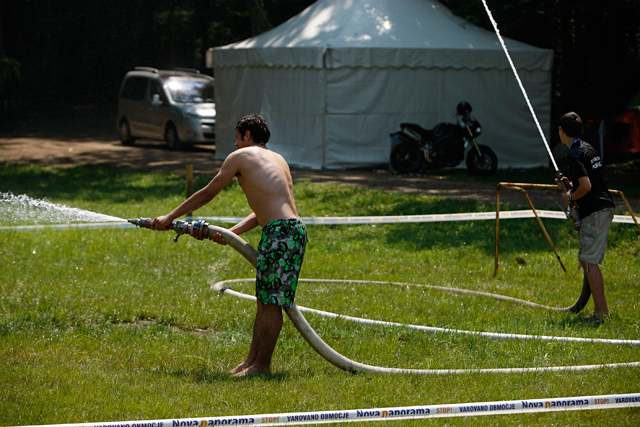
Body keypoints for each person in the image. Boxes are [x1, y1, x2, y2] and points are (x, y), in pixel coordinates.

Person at [150, 113, 307, 375]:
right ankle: (251, 362)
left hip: (281, 233)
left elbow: (208, 192)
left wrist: (170, 216)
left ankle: (262, 367)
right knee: (264, 301)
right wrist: (232, 232)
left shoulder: (241, 156)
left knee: (271, 303)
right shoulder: (278, 159)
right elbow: (264, 211)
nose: (234, 145)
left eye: (237, 137)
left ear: (247, 135)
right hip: (289, 231)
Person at [555, 111, 615, 322]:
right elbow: (588, 181)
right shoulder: (587, 148)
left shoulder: (573, 154)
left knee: (589, 263)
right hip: (603, 207)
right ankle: (603, 312)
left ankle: (600, 314)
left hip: (596, 211)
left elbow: (587, 187)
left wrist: (569, 195)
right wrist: (570, 185)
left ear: (562, 131)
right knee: (589, 261)